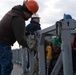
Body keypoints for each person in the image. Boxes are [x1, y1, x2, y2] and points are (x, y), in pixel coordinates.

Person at [0, 0, 39, 75]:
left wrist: (25, 32)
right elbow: (20, 40)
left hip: (1, 42)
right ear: (26, 11)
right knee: (7, 66)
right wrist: (31, 45)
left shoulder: (14, 12)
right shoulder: (18, 18)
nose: (30, 17)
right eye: (30, 14)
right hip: (3, 43)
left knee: (2, 66)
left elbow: (16, 29)